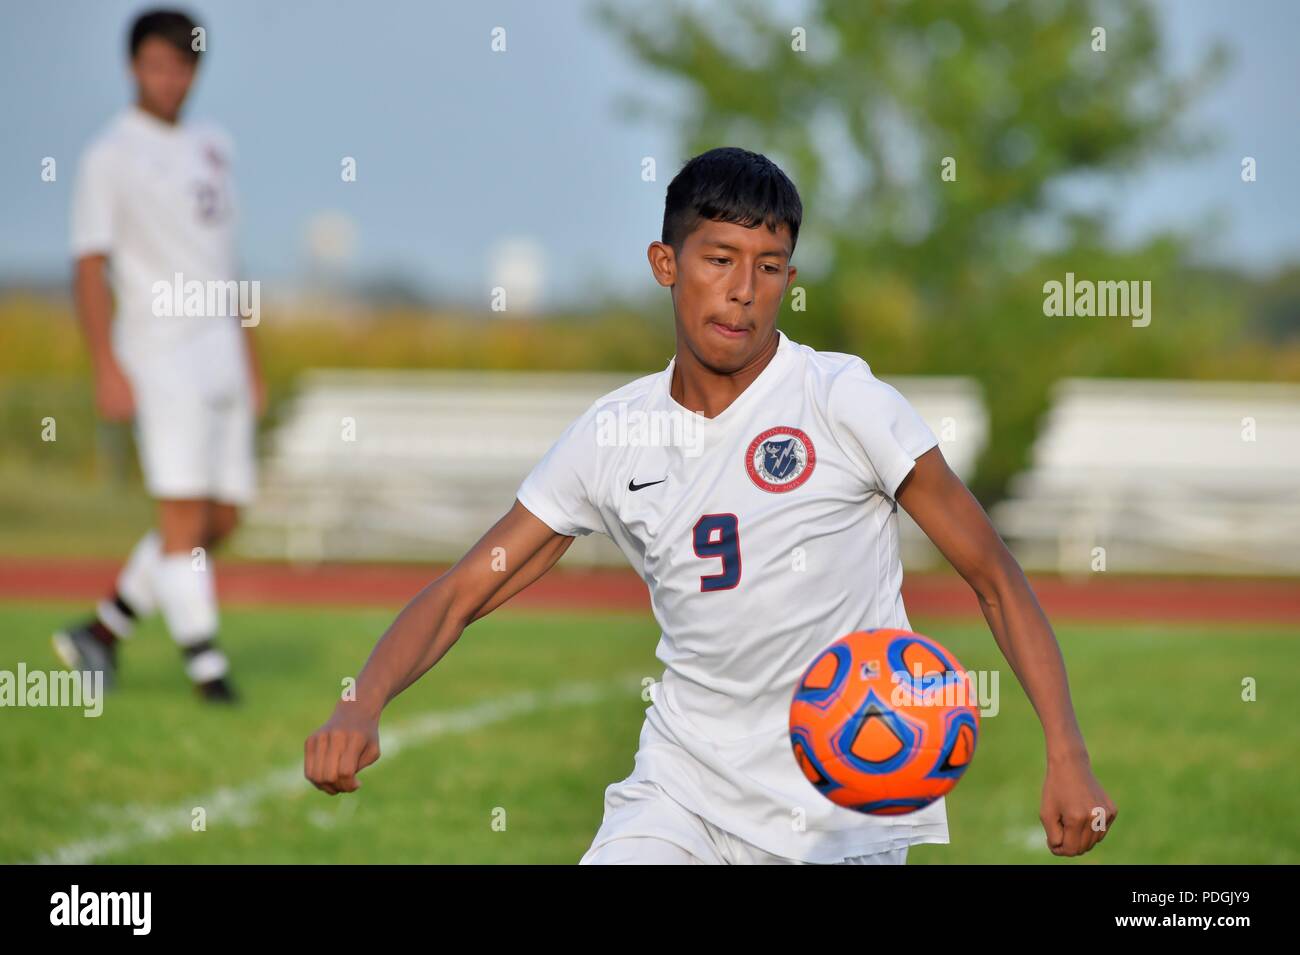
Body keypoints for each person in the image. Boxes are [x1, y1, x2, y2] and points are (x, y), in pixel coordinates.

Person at [304, 147, 1117, 863]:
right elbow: (462, 590)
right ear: (665, 262)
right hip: (681, 790)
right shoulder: (615, 433)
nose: (741, 291)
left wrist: (1066, 750)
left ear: (789, 281)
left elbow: (994, 575)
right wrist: (361, 698)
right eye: (719, 258)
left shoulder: (844, 401)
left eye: (768, 266)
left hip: (842, 807)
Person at [54, 8, 263, 703]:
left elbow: (230, 262)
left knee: (221, 517)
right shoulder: (108, 155)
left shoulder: (215, 144)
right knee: (180, 516)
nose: (169, 79)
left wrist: (251, 355)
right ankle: (208, 667)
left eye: (182, 65)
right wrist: (105, 364)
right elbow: (88, 265)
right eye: (155, 64)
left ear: (196, 70)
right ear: (131, 66)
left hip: (221, 347)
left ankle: (104, 630)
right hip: (159, 349)